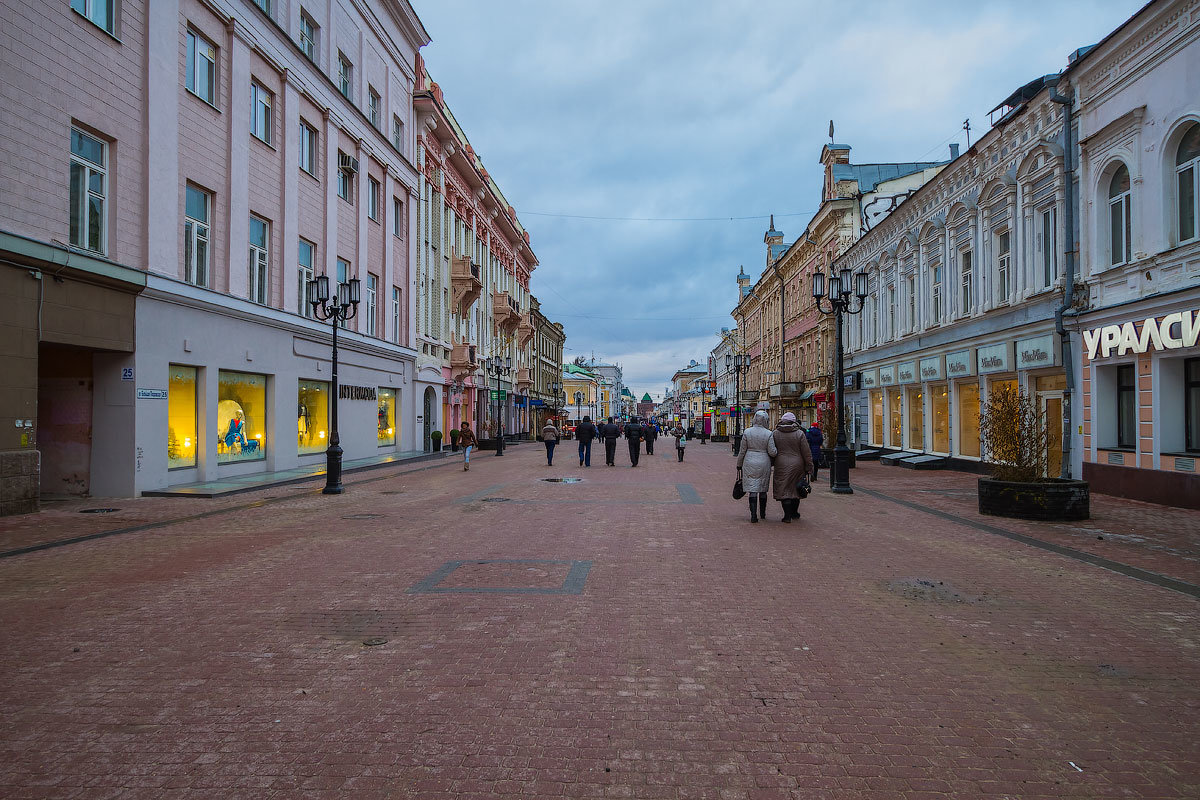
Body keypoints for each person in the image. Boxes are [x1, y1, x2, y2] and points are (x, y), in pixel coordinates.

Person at [771, 412, 814, 523]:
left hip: (781, 464)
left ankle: (787, 515)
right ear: (794, 421)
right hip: (797, 464)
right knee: (795, 489)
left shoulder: (775, 433)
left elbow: (772, 450)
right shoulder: (799, 433)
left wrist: (771, 462)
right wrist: (809, 466)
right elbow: (806, 452)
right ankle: (794, 513)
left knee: (784, 488)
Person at [737, 410, 778, 523]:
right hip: (764, 462)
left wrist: (739, 464)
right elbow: (773, 452)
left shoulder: (747, 432)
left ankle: (753, 515)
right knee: (762, 488)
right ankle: (763, 513)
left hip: (749, 461)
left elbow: (742, 451)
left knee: (752, 489)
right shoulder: (768, 433)